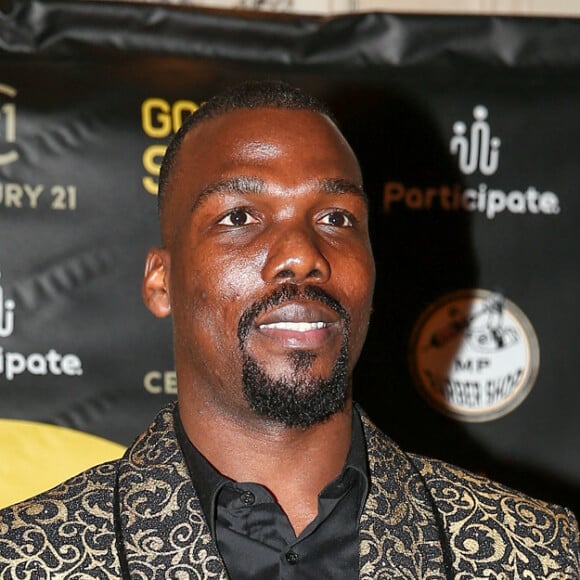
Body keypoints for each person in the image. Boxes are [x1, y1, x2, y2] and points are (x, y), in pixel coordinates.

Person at [0, 81, 578, 579]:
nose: (303, 255)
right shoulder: (29, 559)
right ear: (161, 282)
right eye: (239, 217)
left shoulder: (536, 553)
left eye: (336, 218)